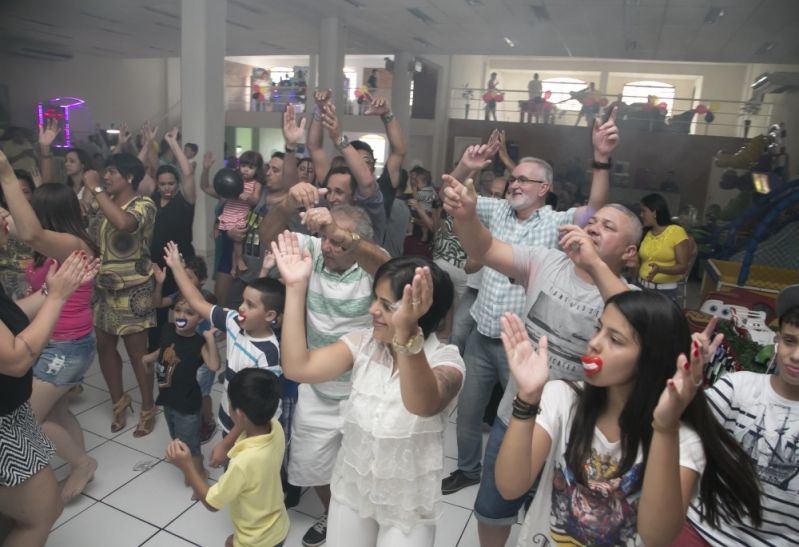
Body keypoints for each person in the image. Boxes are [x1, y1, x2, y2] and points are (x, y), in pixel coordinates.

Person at [441, 112, 618, 498]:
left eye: (524, 179)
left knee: (521, 422)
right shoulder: (494, 209)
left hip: (521, 348)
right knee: (468, 415)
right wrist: (466, 168)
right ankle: (469, 470)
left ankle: (521, 485)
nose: (514, 184)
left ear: (545, 189)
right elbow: (454, 195)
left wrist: (600, 159)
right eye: (514, 177)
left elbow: (596, 209)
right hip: (482, 336)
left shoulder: (556, 223)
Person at [495, 289, 762, 546]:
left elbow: (656, 538)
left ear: (651, 359)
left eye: (616, 340)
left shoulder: (682, 441)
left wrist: (665, 428)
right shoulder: (563, 398)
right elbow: (509, 487)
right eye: (599, 329)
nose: (595, 343)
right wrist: (528, 397)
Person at [273, 235, 464, 547]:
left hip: (407, 504)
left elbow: (423, 403)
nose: (373, 309)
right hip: (353, 488)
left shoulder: (447, 360)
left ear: (419, 314)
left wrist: (406, 333)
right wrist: (295, 288)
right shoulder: (363, 343)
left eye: (386, 305)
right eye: (375, 298)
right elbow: (298, 367)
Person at [260, 204, 388, 547]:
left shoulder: (372, 264)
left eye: (337, 241)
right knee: (312, 462)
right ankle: (335, 514)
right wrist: (285, 202)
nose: (327, 246)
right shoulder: (313, 250)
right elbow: (267, 235)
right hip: (316, 386)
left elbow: (386, 266)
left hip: (361, 390)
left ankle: (362, 524)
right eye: (325, 239)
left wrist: (344, 235)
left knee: (364, 467)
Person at [1, 157, 102, 502]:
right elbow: (17, 228)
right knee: (58, 411)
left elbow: (28, 231)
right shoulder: (55, 245)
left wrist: (7, 177)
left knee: (30, 416)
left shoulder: (74, 245)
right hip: (55, 341)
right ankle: (80, 462)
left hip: (67, 346)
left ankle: (82, 463)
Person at [685, 285, 799, 546]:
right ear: (777, 340)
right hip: (702, 529)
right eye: (790, 341)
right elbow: (678, 431)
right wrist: (688, 383)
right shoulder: (738, 387)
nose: (796, 356)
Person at [0, 244, 97, 547]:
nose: (6, 216)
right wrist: (57, 297)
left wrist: (49, 293)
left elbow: (9, 318)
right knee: (43, 511)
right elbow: (15, 360)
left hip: (10, 414)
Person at [163, 241, 283, 468]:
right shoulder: (235, 322)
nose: (242, 308)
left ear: (269, 315)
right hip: (230, 418)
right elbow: (198, 302)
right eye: (243, 302)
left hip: (251, 431)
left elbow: (252, 410)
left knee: (248, 477)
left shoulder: (267, 355)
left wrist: (225, 445)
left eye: (250, 305)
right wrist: (176, 266)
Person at [167, 368, 289, 547]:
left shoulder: (242, 463)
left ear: (239, 414)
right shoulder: (275, 428)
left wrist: (187, 466)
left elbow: (212, 503)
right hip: (279, 526)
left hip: (255, 541)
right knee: (230, 542)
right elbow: (244, 425)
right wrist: (226, 444)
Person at [83, 155, 158, 437]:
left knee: (138, 355)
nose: (105, 177)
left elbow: (125, 225)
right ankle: (118, 401)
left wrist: (97, 192)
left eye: (111, 172)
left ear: (129, 177)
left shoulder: (144, 204)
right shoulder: (102, 205)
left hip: (133, 292)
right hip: (104, 289)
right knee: (105, 348)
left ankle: (148, 407)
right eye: (105, 173)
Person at [144, 293, 220, 481]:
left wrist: (210, 338)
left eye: (189, 313)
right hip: (168, 398)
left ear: (200, 318)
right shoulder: (168, 329)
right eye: (178, 310)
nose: (181, 316)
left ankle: (199, 476)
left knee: (189, 445)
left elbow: (213, 365)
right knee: (177, 437)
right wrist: (150, 357)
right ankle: (192, 463)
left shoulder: (198, 343)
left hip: (187, 404)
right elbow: (163, 348)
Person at [145, 127, 198, 352]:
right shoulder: (153, 199)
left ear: (176, 184)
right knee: (156, 307)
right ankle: (156, 346)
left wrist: (173, 143)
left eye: (170, 183)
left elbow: (187, 173)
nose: (167, 187)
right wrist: (150, 143)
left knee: (182, 303)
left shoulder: (185, 199)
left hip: (181, 260)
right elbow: (150, 168)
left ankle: (183, 344)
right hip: (156, 260)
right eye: (163, 184)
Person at [637, 193, 692, 301]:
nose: (641, 215)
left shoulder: (676, 231)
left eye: (644, 211)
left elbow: (683, 267)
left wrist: (660, 269)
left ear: (654, 212)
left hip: (664, 292)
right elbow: (640, 262)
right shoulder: (646, 233)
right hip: (641, 287)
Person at [0, 170, 36, 300]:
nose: (19, 197)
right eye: (14, 192)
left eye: (25, 192)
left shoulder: (40, 220)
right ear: (4, 196)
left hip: (32, 286)